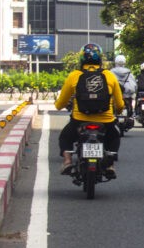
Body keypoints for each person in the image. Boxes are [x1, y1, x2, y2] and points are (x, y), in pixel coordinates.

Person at [54, 43, 125, 176]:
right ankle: (110, 165)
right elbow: (120, 103)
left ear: (81, 58)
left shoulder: (74, 75)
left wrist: (58, 105)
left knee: (65, 138)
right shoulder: (109, 75)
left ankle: (67, 161)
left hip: (80, 120)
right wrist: (119, 111)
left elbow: (62, 101)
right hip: (106, 121)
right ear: (100, 59)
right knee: (115, 136)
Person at [110, 54, 137, 118]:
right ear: (125, 62)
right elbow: (134, 86)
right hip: (127, 97)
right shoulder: (129, 73)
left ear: (115, 62)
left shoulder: (110, 73)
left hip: (114, 98)